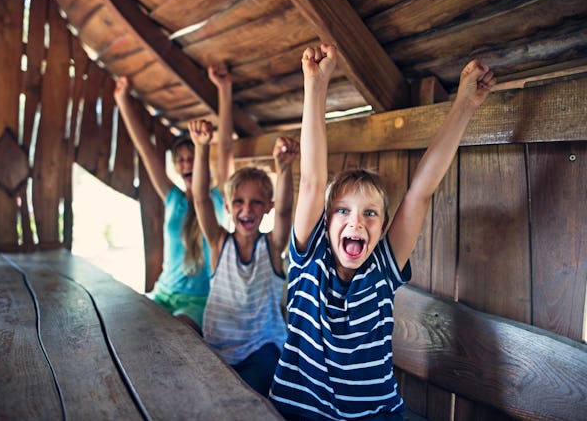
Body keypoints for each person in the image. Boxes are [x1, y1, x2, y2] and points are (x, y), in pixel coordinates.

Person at [269, 44, 496, 420]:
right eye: (342, 210)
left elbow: (421, 189)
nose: (356, 221)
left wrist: (464, 105)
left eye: (370, 213)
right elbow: (311, 180)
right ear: (325, 223)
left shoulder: (382, 270)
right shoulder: (309, 258)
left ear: (383, 228)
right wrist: (316, 84)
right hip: (297, 413)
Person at [113, 65, 235, 335]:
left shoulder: (217, 198)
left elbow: (225, 147)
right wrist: (123, 100)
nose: (186, 163)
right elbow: (145, 149)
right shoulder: (173, 199)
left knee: (176, 335)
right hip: (163, 294)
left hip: (199, 302)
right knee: (121, 321)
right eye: (180, 160)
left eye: (191, 156)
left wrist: (224, 90)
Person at [189, 119, 299, 397]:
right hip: (218, 347)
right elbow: (201, 198)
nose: (246, 209)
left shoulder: (273, 246)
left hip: (262, 347)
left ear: (267, 208)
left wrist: (284, 168)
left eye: (256, 202)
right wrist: (201, 149)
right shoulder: (218, 243)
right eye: (239, 201)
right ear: (227, 206)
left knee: (244, 396)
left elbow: (286, 211)